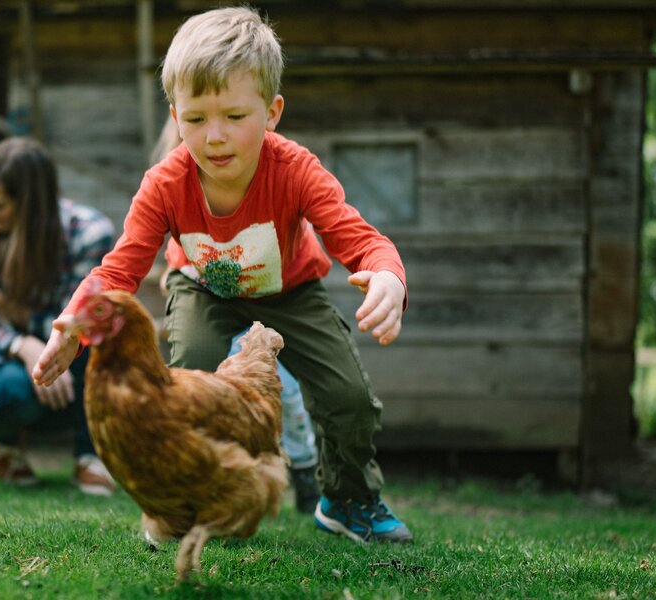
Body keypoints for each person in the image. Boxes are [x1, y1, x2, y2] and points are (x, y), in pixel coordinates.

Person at [34, 6, 412, 542]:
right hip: (203, 289)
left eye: (235, 117)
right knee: (187, 378)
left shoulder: (296, 171)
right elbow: (120, 266)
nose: (214, 136)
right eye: (194, 120)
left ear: (272, 111)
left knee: (348, 397)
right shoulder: (165, 183)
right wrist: (71, 324)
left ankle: (348, 499)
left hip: (291, 292)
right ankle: (187, 503)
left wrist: (387, 276)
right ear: (175, 116)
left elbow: (360, 239)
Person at [154, 114, 320, 515]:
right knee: (215, 398)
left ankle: (304, 468)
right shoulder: (174, 187)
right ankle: (216, 483)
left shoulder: (273, 178)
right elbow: (176, 256)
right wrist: (176, 280)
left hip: (268, 299)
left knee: (287, 395)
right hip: (214, 310)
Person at [0, 136, 117, 496]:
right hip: (1, 361)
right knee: (1, 392)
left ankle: (89, 456)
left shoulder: (89, 234)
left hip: (74, 361)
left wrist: (0, 301)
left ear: (32, 205)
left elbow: (79, 319)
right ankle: (3, 444)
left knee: (104, 346)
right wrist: (23, 345)